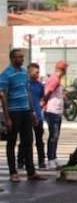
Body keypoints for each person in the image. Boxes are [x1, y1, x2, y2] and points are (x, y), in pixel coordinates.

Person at [0, 49, 41, 182]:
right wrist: (7, 118)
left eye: (23, 57)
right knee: (11, 142)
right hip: (13, 112)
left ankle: (31, 172)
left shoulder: (24, 72)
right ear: (12, 58)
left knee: (28, 141)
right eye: (19, 57)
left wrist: (33, 111)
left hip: (25, 111)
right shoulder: (6, 74)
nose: (22, 60)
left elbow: (27, 91)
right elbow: (3, 96)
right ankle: (13, 172)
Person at [18, 62, 45, 170]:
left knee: (39, 140)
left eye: (38, 72)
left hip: (38, 116)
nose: (38, 74)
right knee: (25, 140)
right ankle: (20, 161)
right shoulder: (25, 84)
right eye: (36, 72)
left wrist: (40, 108)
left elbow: (43, 98)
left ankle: (41, 161)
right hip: (26, 115)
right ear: (29, 72)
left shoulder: (40, 85)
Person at [42, 61, 67, 169]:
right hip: (52, 111)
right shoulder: (55, 79)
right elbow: (48, 92)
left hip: (56, 111)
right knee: (53, 136)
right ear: (63, 70)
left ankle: (53, 157)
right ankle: (51, 159)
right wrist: (43, 103)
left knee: (55, 136)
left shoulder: (56, 79)